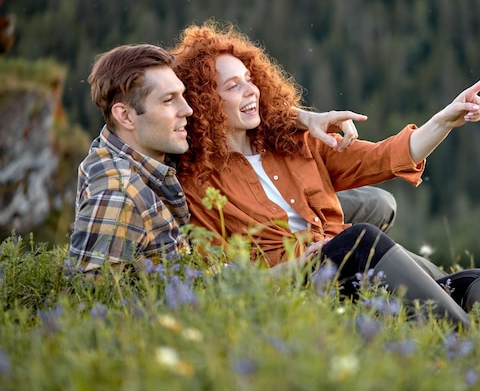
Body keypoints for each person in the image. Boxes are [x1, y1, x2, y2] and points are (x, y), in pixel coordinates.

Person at [171, 22, 480, 329]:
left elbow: (384, 157)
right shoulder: (197, 182)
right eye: (232, 86)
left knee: (479, 281)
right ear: (204, 101)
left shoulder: (293, 141)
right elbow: (225, 280)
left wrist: (444, 120)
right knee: (360, 239)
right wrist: (305, 261)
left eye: (250, 79)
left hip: (349, 263)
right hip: (299, 286)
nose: (251, 90)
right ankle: (464, 341)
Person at [68, 43, 394, 273]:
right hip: (241, 263)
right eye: (170, 101)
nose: (189, 111)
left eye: (185, 97)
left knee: (376, 203)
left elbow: (224, 114)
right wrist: (293, 269)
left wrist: (300, 118)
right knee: (359, 239)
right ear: (125, 116)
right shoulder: (116, 190)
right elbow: (89, 292)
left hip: (240, 246)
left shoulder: (144, 142)